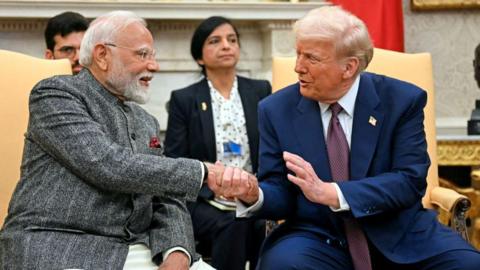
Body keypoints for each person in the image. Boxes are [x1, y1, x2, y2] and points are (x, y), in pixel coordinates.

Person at [208, 6, 480, 270]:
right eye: (298, 54)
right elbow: (280, 189)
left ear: (349, 67)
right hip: (316, 235)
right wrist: (255, 193)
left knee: (468, 264)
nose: (298, 68)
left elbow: (409, 181)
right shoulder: (276, 110)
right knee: (281, 264)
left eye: (311, 58)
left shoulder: (401, 101)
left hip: (399, 232)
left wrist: (333, 193)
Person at [0, 11, 216, 270]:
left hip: (133, 248)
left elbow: (166, 197)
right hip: (57, 246)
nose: (154, 66)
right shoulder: (55, 95)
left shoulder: (146, 120)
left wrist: (177, 251)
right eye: (143, 54)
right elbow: (107, 164)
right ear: (102, 55)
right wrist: (203, 172)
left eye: (154, 56)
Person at [164, 16, 271, 270]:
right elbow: (174, 158)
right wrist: (210, 187)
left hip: (253, 193)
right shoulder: (185, 99)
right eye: (216, 41)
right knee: (232, 223)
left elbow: (272, 146)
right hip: (205, 199)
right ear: (200, 56)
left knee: (262, 224)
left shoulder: (260, 90)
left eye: (232, 40)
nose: (226, 46)